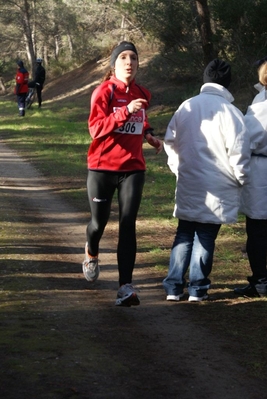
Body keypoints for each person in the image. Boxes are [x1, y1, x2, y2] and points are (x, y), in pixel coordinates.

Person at [162, 59, 251, 302]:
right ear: (227, 83)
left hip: (189, 180)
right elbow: (239, 151)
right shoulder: (231, 112)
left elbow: (170, 141)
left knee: (184, 233)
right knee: (206, 236)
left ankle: (173, 287)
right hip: (218, 185)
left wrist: (177, 168)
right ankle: (197, 288)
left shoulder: (187, 106)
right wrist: (242, 178)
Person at [83, 41, 163, 307]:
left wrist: (149, 134)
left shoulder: (142, 92)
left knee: (128, 224)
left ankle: (125, 287)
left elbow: (141, 118)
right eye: (124, 58)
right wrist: (123, 113)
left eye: (134, 58)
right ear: (114, 64)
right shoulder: (103, 92)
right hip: (102, 169)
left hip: (132, 168)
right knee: (98, 225)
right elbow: (95, 129)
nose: (130, 62)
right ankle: (91, 251)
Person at [234, 59, 267, 298]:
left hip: (261, 168)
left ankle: (260, 280)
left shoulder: (262, 103)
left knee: (257, 228)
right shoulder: (260, 99)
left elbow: (249, 136)